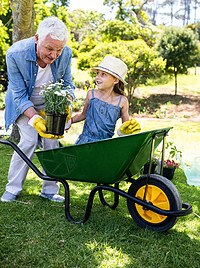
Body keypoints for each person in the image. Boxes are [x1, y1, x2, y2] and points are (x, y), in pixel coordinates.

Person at [1, 17, 75, 203]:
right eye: (49, 49)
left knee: (52, 141)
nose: (54, 55)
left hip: (51, 105)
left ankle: (50, 190)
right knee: (29, 140)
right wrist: (34, 118)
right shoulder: (15, 54)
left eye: (58, 49)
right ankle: (13, 188)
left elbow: (68, 85)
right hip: (23, 105)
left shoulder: (66, 53)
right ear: (36, 39)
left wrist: (65, 106)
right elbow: (18, 95)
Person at [71, 55, 140, 145]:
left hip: (106, 145)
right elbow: (83, 115)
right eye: (97, 73)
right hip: (85, 143)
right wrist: (68, 121)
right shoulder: (91, 94)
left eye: (103, 74)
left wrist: (130, 130)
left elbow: (125, 127)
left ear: (115, 80)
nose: (97, 78)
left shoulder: (122, 101)